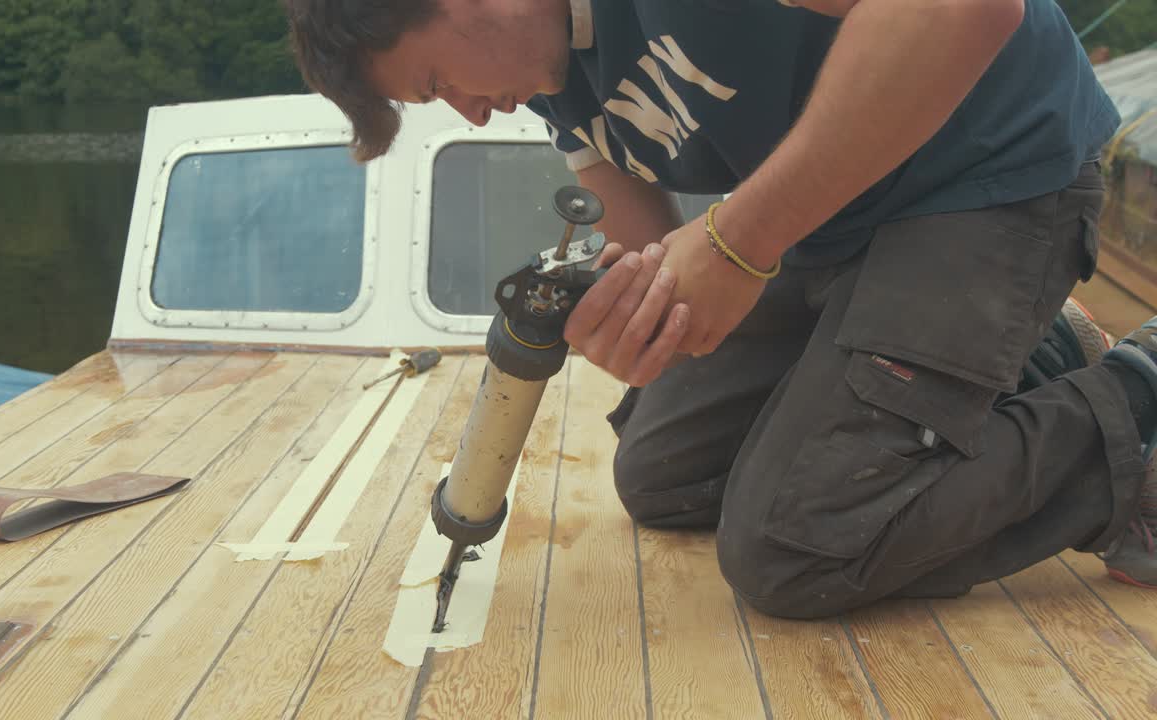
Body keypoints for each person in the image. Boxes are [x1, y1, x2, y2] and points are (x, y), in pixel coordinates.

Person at [283, 0, 1157, 619]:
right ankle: (1030, 352)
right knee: (664, 474)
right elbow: (638, 250)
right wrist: (620, 313)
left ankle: (1134, 392)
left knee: (796, 549)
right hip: (842, 222)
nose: (470, 116)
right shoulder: (555, 83)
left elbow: (965, 8)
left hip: (994, 174)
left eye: (437, 83)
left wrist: (738, 243)